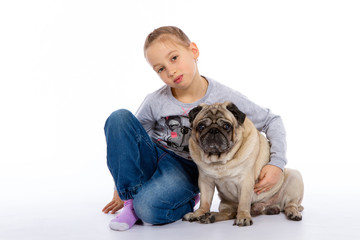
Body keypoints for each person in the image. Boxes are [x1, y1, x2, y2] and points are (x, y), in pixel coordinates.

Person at [102, 26, 287, 231]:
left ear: (194, 51)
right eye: (160, 69)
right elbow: (131, 138)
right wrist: (120, 186)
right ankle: (129, 202)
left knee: (148, 210)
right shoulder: (155, 100)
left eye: (174, 58)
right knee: (119, 118)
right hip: (155, 155)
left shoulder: (225, 97)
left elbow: (272, 120)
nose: (170, 71)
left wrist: (277, 163)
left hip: (187, 168)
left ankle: (183, 198)